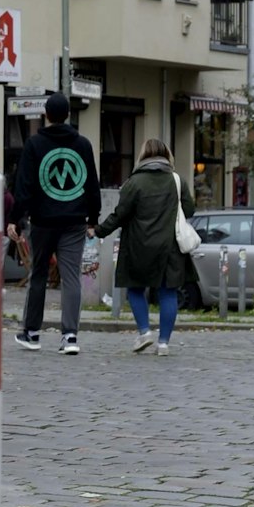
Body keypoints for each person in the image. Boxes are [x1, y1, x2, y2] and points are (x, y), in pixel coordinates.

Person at [8, 93, 100, 354]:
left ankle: (32, 333)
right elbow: (91, 183)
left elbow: (24, 184)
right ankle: (70, 336)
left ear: (46, 115)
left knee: (38, 274)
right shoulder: (82, 144)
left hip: (43, 220)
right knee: (71, 277)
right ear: (68, 115)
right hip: (74, 220)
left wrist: (15, 218)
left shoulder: (35, 144)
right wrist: (93, 218)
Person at [94, 138, 196, 356]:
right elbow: (190, 209)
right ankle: (164, 344)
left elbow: (120, 215)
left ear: (143, 156)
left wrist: (99, 230)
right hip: (170, 246)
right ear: (167, 156)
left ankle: (144, 332)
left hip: (138, 246)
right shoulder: (177, 180)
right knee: (168, 292)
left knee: (135, 289)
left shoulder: (134, 182)